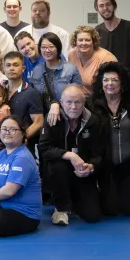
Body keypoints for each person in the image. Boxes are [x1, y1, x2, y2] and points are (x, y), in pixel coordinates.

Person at [39, 85, 106, 226]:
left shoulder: (93, 121)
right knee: (58, 166)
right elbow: (44, 149)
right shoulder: (52, 118)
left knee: (93, 216)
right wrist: (69, 155)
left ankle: (75, 199)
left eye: (78, 102)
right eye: (69, 102)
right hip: (58, 171)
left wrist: (91, 167)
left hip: (82, 172)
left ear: (84, 103)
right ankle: (61, 208)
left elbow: (98, 153)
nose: (73, 107)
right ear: (61, 103)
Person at [91, 62, 130, 218]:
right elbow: (71, 103)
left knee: (129, 210)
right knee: (110, 210)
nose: (110, 84)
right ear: (101, 83)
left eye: (115, 80)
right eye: (106, 80)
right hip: (106, 165)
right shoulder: (92, 104)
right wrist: (55, 104)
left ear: (122, 82)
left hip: (129, 164)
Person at [94, 0, 130, 92]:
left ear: (114, 6)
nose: (105, 8)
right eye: (101, 6)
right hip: (107, 86)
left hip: (129, 84)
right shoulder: (97, 31)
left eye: (108, 4)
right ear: (97, 9)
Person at [31, 32, 82, 123]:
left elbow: (78, 97)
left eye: (51, 46)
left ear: (58, 48)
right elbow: (33, 96)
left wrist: (57, 104)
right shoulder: (37, 70)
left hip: (67, 119)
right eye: (43, 47)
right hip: (43, 121)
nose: (47, 50)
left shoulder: (71, 69)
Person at [0, 52, 44, 153]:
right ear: (3, 69)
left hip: (23, 148)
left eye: (15, 65)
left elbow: (39, 122)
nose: (11, 68)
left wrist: (20, 138)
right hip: (1, 146)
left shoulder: (31, 93)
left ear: (23, 68)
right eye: (8, 65)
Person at [67, 25, 117, 97]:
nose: (84, 43)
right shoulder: (72, 54)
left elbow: (113, 86)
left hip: (99, 100)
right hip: (77, 99)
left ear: (94, 41)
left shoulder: (106, 58)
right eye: (80, 40)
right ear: (75, 42)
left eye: (87, 40)